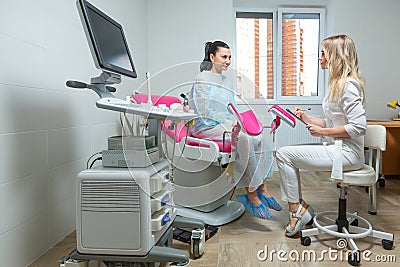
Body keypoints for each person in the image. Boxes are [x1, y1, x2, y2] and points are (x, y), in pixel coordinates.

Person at [276, 34, 367, 237]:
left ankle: (297, 211)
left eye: (323, 53)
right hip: (338, 149)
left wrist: (323, 132)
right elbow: (333, 123)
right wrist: (307, 118)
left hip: (347, 154)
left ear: (336, 56)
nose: (320, 58)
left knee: (283, 154)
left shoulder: (348, 86)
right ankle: (299, 208)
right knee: (284, 154)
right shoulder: (338, 84)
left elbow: (359, 127)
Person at [189, 40, 282, 220]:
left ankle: (263, 187)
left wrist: (236, 120)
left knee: (259, 138)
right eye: (224, 57)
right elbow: (204, 112)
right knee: (245, 139)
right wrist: (228, 122)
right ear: (212, 57)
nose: (228, 61)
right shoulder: (202, 79)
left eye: (230, 57)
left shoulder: (226, 80)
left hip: (225, 125)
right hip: (205, 127)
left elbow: (232, 107)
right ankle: (252, 193)